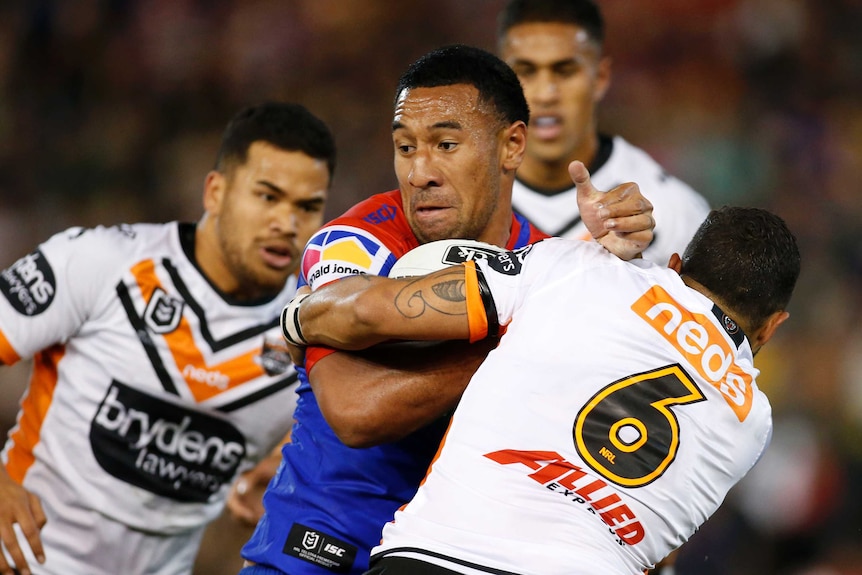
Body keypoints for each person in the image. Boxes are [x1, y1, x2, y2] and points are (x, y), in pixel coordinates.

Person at [239, 45, 655, 575]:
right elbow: (356, 413)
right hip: (319, 554)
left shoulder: (548, 263)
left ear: (512, 145)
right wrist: (525, 339)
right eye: (406, 147)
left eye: (445, 144)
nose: (420, 173)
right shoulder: (357, 243)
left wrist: (618, 281)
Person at [279, 203, 801, 575]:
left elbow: (370, 310)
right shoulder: (752, 425)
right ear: (773, 327)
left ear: (676, 267)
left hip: (443, 555)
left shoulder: (581, 269)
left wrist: (298, 320)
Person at [0, 101, 336, 575]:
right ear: (215, 191)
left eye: (307, 206)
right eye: (267, 196)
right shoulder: (103, 262)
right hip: (24, 561)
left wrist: (280, 472)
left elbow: (303, 448)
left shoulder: (313, 329)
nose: (286, 222)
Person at [498, 0, 711, 266]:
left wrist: (635, 270)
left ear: (600, 78)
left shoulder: (675, 213)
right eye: (525, 71)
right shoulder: (467, 199)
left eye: (565, 71)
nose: (545, 94)